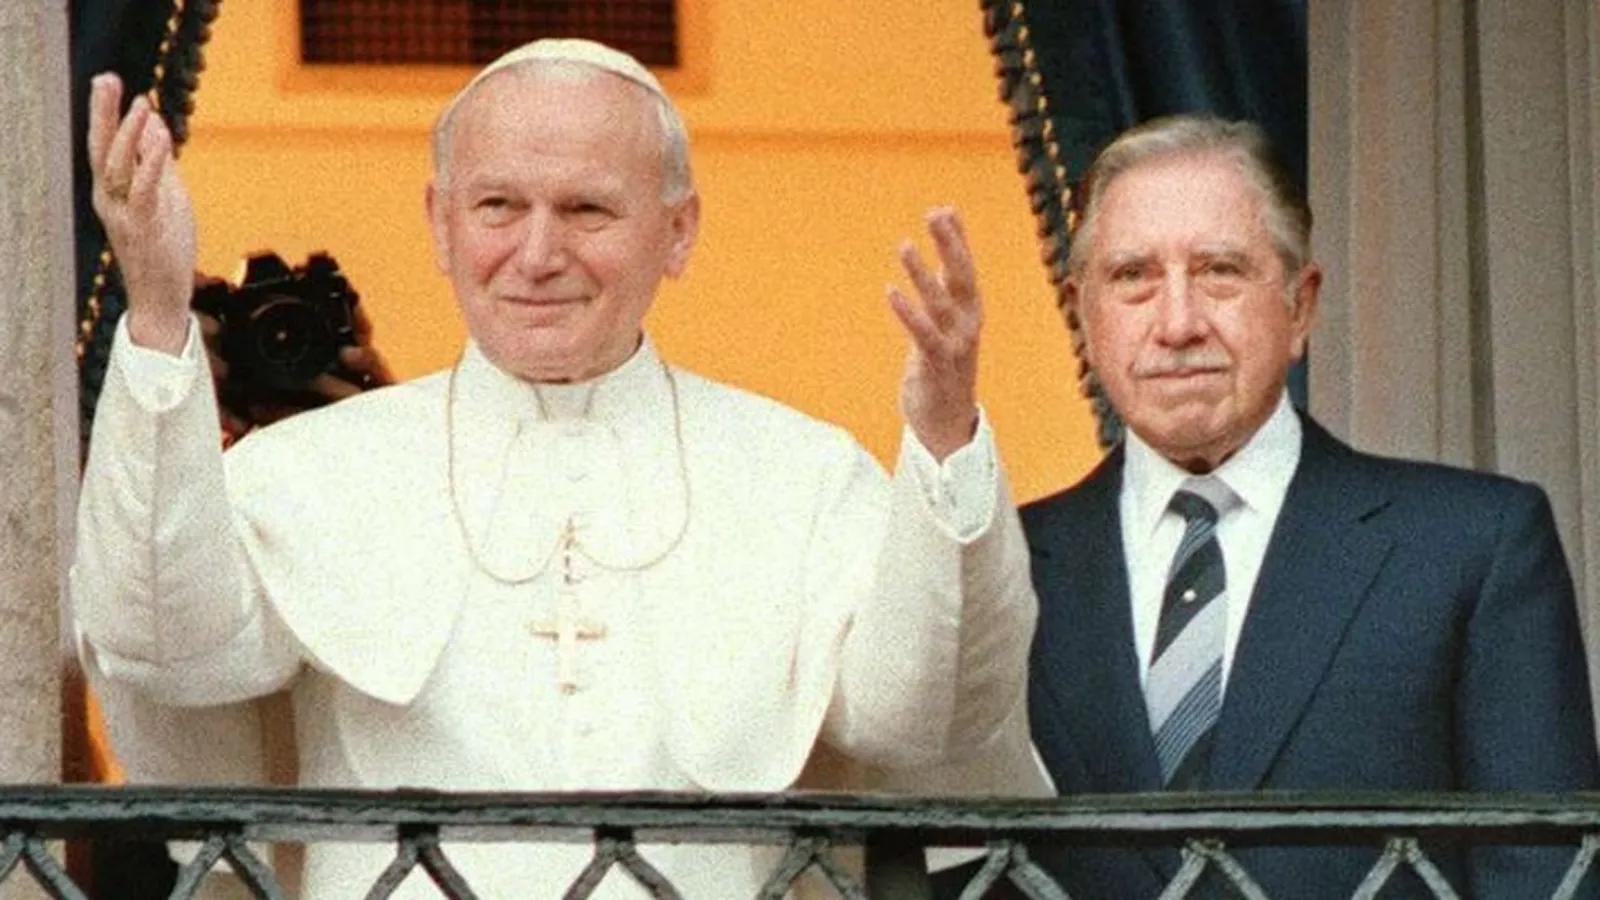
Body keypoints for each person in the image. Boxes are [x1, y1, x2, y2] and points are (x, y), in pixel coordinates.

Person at [72, 38, 1038, 898]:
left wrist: (944, 440)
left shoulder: (803, 475)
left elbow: (919, 718)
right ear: (440, 222)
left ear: (679, 231)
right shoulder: (308, 471)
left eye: (587, 209)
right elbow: (171, 648)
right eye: (499, 206)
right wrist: (156, 319)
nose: (538, 254)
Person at [1005, 114, 1598, 898]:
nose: (1177, 323)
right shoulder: (1006, 567)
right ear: (1084, 315)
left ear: (1301, 305)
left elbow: (1546, 874)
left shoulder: (1472, 546)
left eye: (1219, 271)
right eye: (1133, 277)